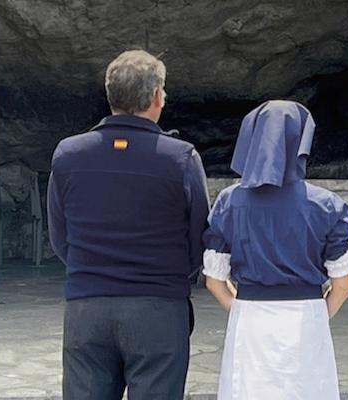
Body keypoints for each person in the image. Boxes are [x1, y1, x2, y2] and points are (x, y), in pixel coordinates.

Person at [47, 49, 209, 400]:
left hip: (86, 307)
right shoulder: (180, 158)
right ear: (155, 96)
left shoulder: (68, 154)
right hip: (158, 309)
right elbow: (199, 239)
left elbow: (59, 237)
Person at [202, 100, 348, 400]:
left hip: (250, 317)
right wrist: (318, 314)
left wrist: (241, 309)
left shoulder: (229, 201)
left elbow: (213, 281)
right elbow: (344, 285)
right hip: (306, 316)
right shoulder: (327, 205)